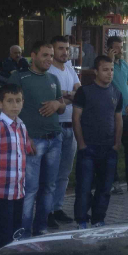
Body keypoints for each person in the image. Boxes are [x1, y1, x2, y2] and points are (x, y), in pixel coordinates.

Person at [9, 41, 66, 237]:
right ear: (33, 56)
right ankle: (23, 234)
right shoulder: (19, 78)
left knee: (49, 187)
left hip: (54, 139)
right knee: (30, 189)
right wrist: (24, 137)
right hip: (32, 140)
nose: (49, 59)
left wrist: (57, 104)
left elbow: (62, 106)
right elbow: (9, 110)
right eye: (45, 55)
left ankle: (40, 228)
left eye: (51, 55)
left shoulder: (53, 78)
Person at [72, 55, 122, 228]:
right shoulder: (84, 92)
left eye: (112, 70)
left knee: (105, 188)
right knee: (84, 187)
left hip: (109, 148)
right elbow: (76, 118)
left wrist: (117, 143)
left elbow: (118, 120)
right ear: (96, 71)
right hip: (88, 147)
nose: (109, 73)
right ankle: (81, 220)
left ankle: (98, 219)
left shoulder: (116, 93)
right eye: (105, 70)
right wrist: (81, 144)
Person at [0, 84, 30, 252]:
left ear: (23, 102)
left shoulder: (22, 127)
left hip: (18, 192)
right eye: (9, 101)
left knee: (15, 233)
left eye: (18, 100)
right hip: (1, 193)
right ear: (0, 103)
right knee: (2, 234)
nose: (15, 105)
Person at [47, 35, 80, 225]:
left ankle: (57, 208)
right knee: (51, 172)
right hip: (55, 126)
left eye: (67, 48)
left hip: (71, 125)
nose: (64, 52)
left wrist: (63, 97)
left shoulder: (69, 68)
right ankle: (47, 211)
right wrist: (69, 96)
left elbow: (79, 92)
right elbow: (50, 96)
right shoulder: (49, 71)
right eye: (60, 48)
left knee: (64, 173)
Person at [107, 35, 128, 194]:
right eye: (116, 47)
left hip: (127, 112)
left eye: (121, 47)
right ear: (109, 49)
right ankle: (114, 182)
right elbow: (107, 81)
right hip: (113, 114)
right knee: (113, 147)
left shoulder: (124, 64)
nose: (120, 50)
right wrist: (110, 60)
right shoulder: (106, 65)